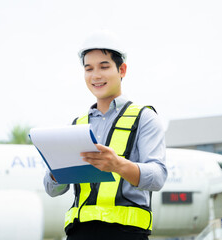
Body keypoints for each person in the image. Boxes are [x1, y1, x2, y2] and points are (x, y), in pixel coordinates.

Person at [43, 30, 167, 240]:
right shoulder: (76, 125)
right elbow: (51, 189)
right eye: (88, 69)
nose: (96, 75)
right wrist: (57, 171)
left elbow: (157, 177)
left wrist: (118, 165)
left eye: (104, 66)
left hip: (126, 234)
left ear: (122, 70)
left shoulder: (144, 118)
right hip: (79, 233)